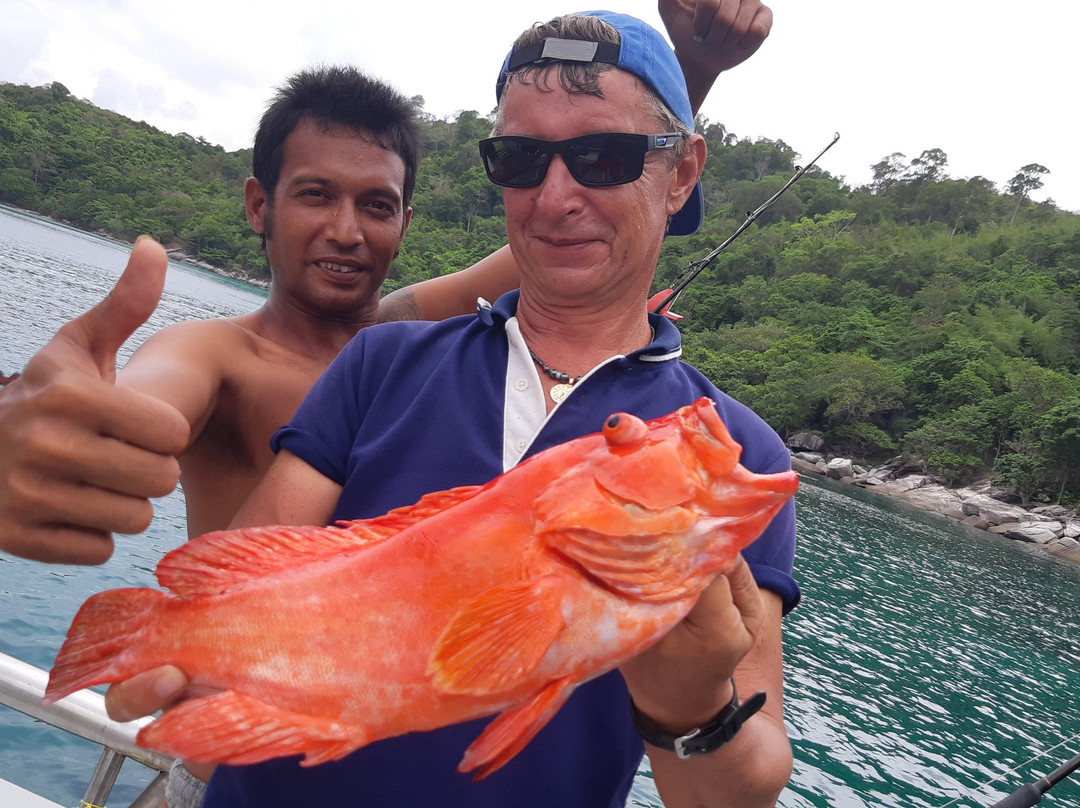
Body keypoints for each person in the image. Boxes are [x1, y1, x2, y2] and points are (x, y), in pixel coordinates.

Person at [105, 8, 796, 808]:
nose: (557, 194)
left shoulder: (738, 452)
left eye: (603, 156)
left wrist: (691, 711)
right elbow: (252, 580)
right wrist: (186, 645)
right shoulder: (382, 359)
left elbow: (740, 794)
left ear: (681, 175)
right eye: (523, 158)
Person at [0, 0, 772, 566]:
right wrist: (38, 434)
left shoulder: (398, 339)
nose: (345, 229)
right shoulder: (214, 356)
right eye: (314, 195)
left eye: (375, 205)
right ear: (259, 204)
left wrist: (681, 73)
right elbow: (137, 403)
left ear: (405, 223)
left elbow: (569, 224)